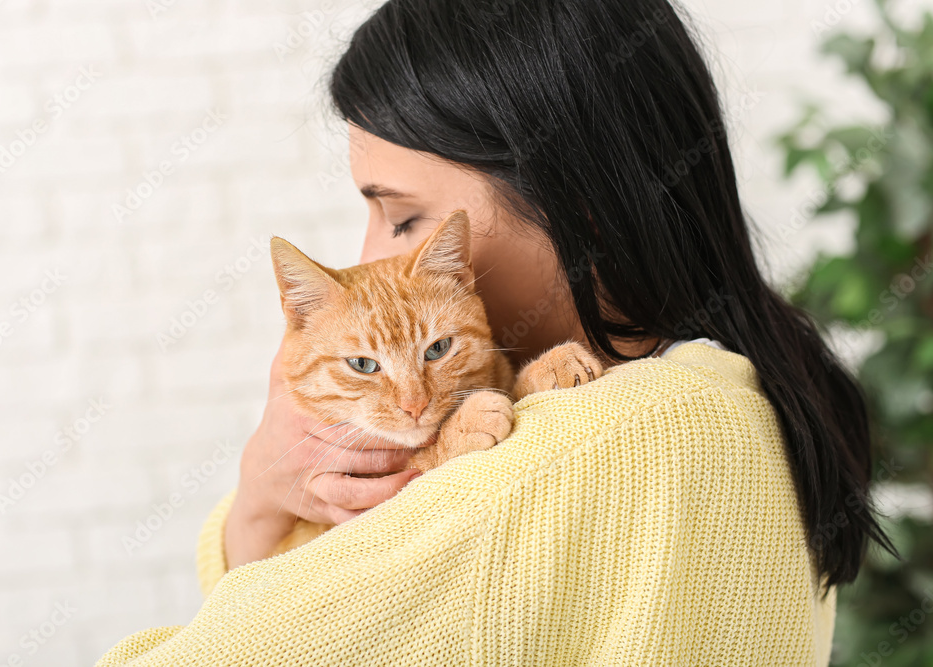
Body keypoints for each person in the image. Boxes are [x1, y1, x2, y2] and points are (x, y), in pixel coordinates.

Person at [96, 0, 896, 664]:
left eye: (406, 217)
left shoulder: (593, 449)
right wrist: (262, 508)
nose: (373, 255)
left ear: (571, 195)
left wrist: (252, 516)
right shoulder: (745, 386)